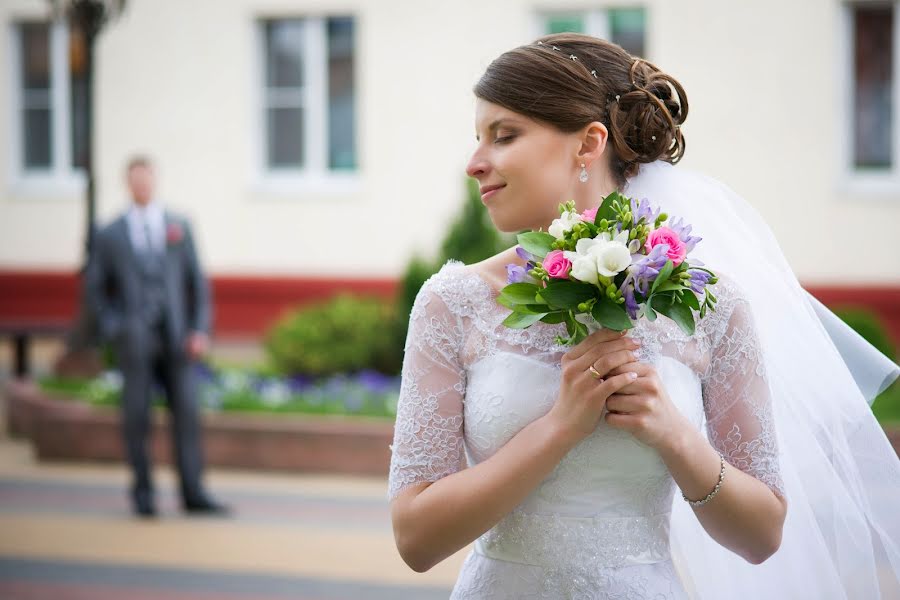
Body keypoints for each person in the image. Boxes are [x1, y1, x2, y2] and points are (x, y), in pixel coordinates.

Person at [387, 33, 900, 599]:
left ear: (588, 144)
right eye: (477, 138)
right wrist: (560, 428)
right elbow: (416, 538)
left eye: (504, 136)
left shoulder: (712, 305)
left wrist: (675, 436)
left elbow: (762, 534)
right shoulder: (452, 303)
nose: (475, 163)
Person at [85, 156, 228, 518]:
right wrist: (115, 328)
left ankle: (193, 491)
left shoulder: (178, 225)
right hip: (135, 341)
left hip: (177, 339)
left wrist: (199, 329)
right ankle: (143, 493)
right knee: (136, 416)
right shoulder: (109, 233)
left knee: (187, 415)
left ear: (155, 180)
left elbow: (197, 282)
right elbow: (96, 290)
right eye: (136, 180)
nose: (142, 185)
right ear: (128, 184)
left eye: (147, 178)